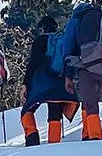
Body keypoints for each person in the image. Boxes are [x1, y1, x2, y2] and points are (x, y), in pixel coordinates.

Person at [62, 2, 102, 141]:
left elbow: (68, 47)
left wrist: (68, 75)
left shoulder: (77, 19)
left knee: (90, 102)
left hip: (86, 66)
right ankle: (87, 133)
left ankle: (95, 136)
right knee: (91, 100)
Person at [20, 15, 79, 146]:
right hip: (60, 83)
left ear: (42, 29)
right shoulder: (64, 41)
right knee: (55, 115)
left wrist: (25, 84)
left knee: (27, 111)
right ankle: (54, 144)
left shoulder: (40, 41)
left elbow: (33, 63)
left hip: (41, 85)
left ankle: (32, 139)